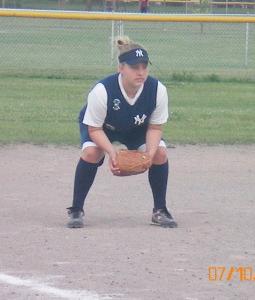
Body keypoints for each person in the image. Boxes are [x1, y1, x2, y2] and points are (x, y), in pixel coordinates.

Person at [67, 36, 177, 229]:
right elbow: (94, 129)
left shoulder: (157, 90)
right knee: (92, 153)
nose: (141, 72)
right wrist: (111, 152)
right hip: (103, 128)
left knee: (160, 153)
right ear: (121, 68)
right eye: (135, 67)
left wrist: (149, 155)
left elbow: (155, 127)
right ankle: (76, 209)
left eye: (144, 67)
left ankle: (160, 210)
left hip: (137, 128)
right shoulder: (102, 91)